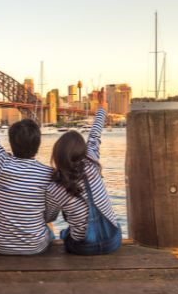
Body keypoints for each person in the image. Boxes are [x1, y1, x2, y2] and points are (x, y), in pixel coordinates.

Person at [0, 75, 54, 255]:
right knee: (49, 224)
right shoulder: (48, 173)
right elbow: (50, 211)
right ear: (37, 145)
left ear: (11, 142)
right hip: (36, 247)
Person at [44, 90, 122, 255]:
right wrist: (102, 107)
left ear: (58, 155)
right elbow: (95, 135)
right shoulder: (92, 162)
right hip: (113, 242)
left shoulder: (55, 187)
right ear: (83, 150)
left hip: (83, 248)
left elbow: (49, 218)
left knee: (65, 234)